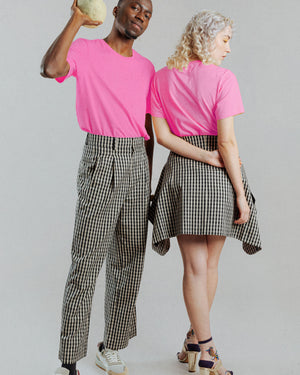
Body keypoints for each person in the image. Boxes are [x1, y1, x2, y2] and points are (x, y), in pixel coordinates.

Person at [40, 1, 155, 374]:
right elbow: (50, 68)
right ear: (116, 10)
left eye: (148, 13)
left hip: (138, 161)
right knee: (87, 260)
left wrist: (148, 183)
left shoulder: (147, 68)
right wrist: (76, 19)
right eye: (134, 7)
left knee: (130, 260)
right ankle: (70, 358)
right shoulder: (86, 50)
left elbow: (149, 129)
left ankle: (111, 347)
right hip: (102, 155)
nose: (140, 15)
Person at [149, 10, 262, 375]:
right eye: (225, 39)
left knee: (195, 268)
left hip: (181, 174)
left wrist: (198, 155)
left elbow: (163, 137)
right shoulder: (223, 79)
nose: (228, 48)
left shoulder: (161, 78)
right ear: (206, 38)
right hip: (217, 180)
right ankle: (209, 352)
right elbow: (227, 143)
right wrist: (241, 195)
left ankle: (195, 340)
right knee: (209, 266)